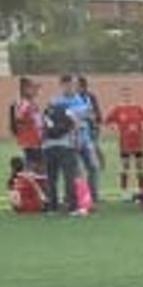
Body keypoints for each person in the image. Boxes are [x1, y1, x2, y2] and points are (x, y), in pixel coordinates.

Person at [40, 77, 86, 215]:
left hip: (48, 147)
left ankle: (52, 207)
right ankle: (72, 207)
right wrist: (77, 140)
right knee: (69, 177)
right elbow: (76, 124)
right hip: (65, 146)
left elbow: (42, 127)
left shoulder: (48, 110)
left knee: (51, 178)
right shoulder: (68, 109)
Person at [104, 86, 143, 197]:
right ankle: (124, 191)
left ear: (132, 95)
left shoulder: (138, 108)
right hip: (125, 143)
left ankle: (142, 190)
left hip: (138, 142)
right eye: (124, 95)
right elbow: (107, 121)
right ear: (121, 96)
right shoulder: (118, 109)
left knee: (140, 167)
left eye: (128, 94)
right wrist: (115, 129)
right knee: (124, 166)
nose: (127, 97)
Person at [75, 75, 104, 202]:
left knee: (93, 167)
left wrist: (95, 124)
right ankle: (80, 196)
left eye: (79, 86)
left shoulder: (90, 97)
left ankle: (94, 195)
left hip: (89, 137)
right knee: (77, 169)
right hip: (74, 138)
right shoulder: (68, 100)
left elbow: (98, 116)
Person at [9, 77, 44, 174]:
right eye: (33, 88)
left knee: (40, 173)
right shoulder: (23, 104)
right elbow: (19, 119)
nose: (36, 91)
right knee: (33, 173)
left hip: (36, 142)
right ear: (25, 89)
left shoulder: (32, 104)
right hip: (30, 143)